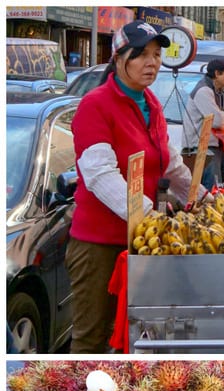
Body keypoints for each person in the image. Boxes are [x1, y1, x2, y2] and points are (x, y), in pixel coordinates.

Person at [68, 20, 204, 353]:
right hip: (99, 246)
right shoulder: (95, 105)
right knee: (92, 337)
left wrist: (202, 197)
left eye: (157, 55)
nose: (152, 62)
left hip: (142, 243)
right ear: (119, 58)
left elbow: (169, 164)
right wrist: (147, 215)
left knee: (138, 334)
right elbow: (100, 174)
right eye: (142, 55)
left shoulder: (151, 104)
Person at [182, 58, 224, 190]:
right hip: (202, 147)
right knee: (212, 188)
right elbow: (217, 121)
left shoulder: (219, 92)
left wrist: (223, 115)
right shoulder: (203, 91)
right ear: (217, 74)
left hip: (216, 145)